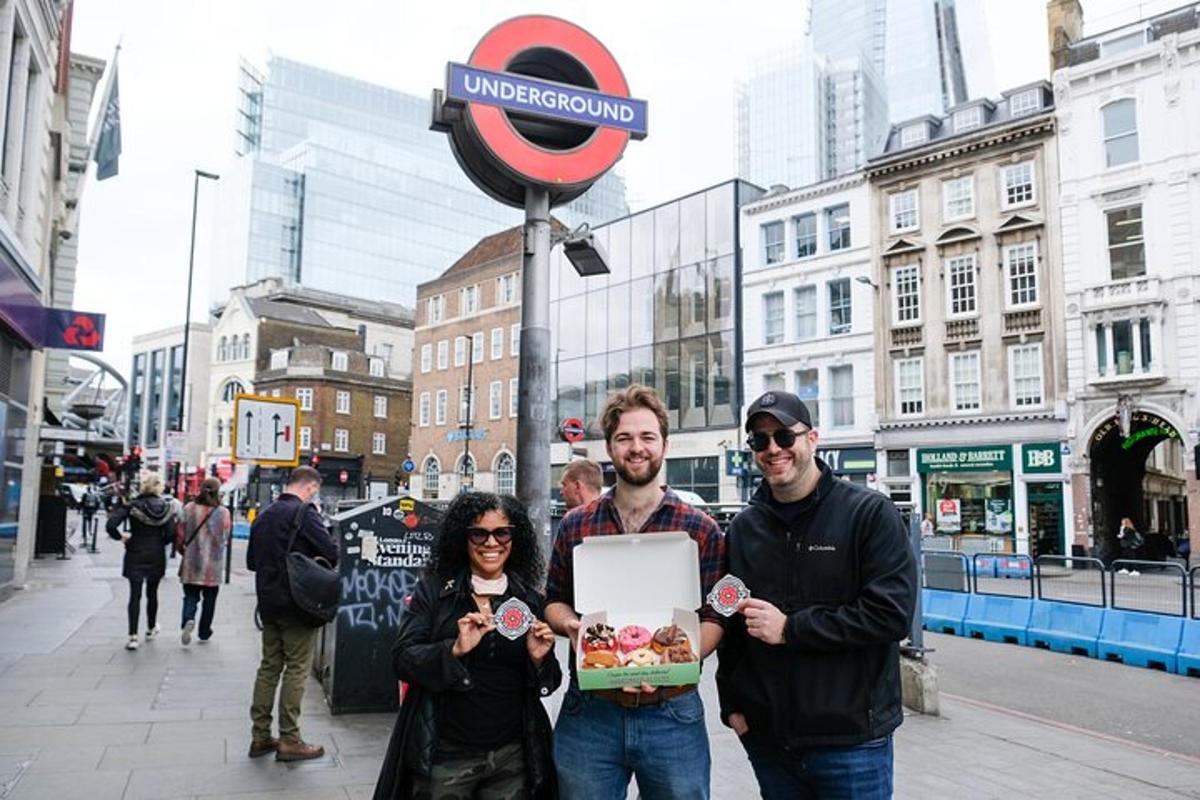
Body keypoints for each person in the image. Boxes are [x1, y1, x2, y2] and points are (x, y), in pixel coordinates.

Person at [717, 391, 917, 799]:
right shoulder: (743, 529)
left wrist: (792, 628)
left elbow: (891, 614)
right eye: (759, 440)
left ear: (812, 439)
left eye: (784, 437)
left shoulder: (869, 514)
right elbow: (730, 620)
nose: (773, 449)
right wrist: (731, 704)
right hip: (770, 742)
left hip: (852, 743)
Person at [544, 384, 726, 800]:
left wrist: (671, 661)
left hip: (672, 713)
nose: (636, 448)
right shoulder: (576, 525)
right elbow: (552, 599)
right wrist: (572, 627)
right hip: (591, 713)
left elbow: (715, 618)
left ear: (665, 444)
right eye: (624, 438)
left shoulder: (700, 529)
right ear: (609, 447)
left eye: (647, 437)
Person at [374, 492, 561, 799]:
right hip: (447, 754)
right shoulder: (435, 592)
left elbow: (548, 682)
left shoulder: (528, 598)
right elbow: (402, 658)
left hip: (512, 755)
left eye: (502, 532)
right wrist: (454, 649)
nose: (491, 543)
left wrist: (541, 660)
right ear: (462, 537)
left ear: (515, 538)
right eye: (479, 533)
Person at [246, 466, 338, 762]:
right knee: (297, 668)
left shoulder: (265, 514)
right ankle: (290, 739)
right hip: (298, 604)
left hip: (269, 603)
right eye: (315, 490)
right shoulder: (304, 514)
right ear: (311, 486)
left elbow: (251, 561)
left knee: (269, 667)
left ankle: (260, 736)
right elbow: (331, 552)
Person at [106, 471, 177, 651]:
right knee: (152, 593)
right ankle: (151, 628)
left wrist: (121, 537)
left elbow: (111, 524)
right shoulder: (167, 508)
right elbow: (170, 535)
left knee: (134, 595)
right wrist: (160, 542)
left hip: (135, 550)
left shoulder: (132, 505)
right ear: (159, 487)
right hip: (156, 553)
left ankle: (133, 636)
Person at [175, 477, 232, 645]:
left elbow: (180, 533)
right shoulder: (223, 512)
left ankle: (188, 619)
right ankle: (204, 631)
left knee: (190, 596)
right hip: (213, 564)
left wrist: (181, 550)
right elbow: (226, 536)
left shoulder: (189, 508)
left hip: (192, 561)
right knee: (210, 599)